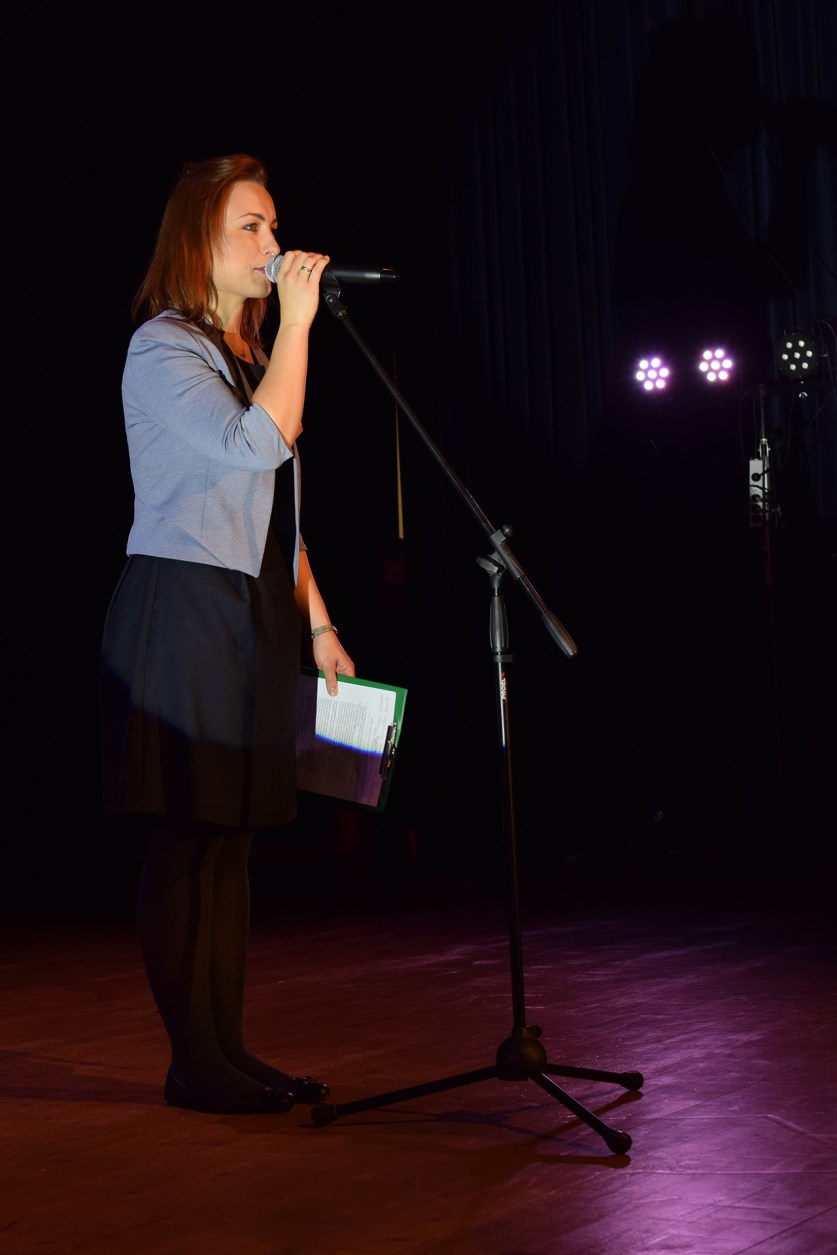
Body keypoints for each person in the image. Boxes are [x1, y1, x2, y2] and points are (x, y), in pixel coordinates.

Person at [99, 153, 356, 1115]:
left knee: (235, 842)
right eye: (250, 225)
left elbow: (278, 516)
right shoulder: (162, 348)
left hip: (250, 610)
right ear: (196, 240)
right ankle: (191, 1063)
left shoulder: (248, 360)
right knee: (188, 837)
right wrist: (297, 324)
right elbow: (260, 444)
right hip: (183, 606)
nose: (272, 243)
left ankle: (229, 1050)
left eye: (273, 224)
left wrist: (320, 625)